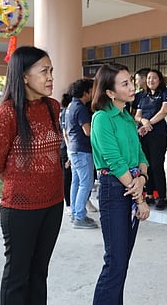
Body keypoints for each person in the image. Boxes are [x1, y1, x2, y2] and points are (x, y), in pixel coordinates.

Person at [0, 46, 63, 304]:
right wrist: (23, 187)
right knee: (18, 276)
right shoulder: (7, 113)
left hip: (53, 204)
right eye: (44, 71)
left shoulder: (53, 107)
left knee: (40, 272)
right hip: (20, 209)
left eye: (51, 70)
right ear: (24, 76)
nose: (51, 76)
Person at [90, 63, 150, 305]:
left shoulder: (126, 117)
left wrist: (142, 179)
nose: (132, 87)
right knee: (115, 262)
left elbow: (141, 157)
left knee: (122, 262)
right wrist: (140, 198)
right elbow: (115, 162)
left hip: (132, 184)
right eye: (124, 84)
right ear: (110, 92)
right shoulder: (102, 118)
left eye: (131, 81)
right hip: (114, 190)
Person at [134, 69, 167, 209]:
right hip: (144, 134)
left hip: (158, 135)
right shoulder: (143, 96)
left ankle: (161, 196)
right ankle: (150, 194)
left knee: (157, 165)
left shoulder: (166, 94)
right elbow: (137, 116)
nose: (151, 80)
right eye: (149, 78)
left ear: (160, 80)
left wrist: (147, 123)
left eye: (154, 78)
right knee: (146, 165)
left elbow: (164, 111)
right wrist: (143, 121)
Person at [64, 78, 98, 229]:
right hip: (82, 150)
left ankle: (75, 213)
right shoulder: (81, 108)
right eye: (92, 90)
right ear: (86, 92)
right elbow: (88, 131)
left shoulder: (71, 105)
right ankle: (79, 217)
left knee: (76, 182)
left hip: (73, 149)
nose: (93, 93)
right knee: (86, 183)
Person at [60, 92, 73, 216]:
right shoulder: (66, 112)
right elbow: (65, 134)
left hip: (68, 148)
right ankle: (68, 203)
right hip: (66, 148)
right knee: (67, 176)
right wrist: (69, 153)